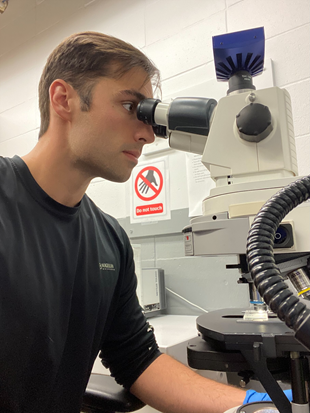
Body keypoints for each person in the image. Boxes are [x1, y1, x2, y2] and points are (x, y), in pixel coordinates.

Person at [0, 31, 290, 413]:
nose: (149, 134)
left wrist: (252, 406)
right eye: (129, 106)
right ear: (63, 99)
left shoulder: (109, 240)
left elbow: (139, 361)